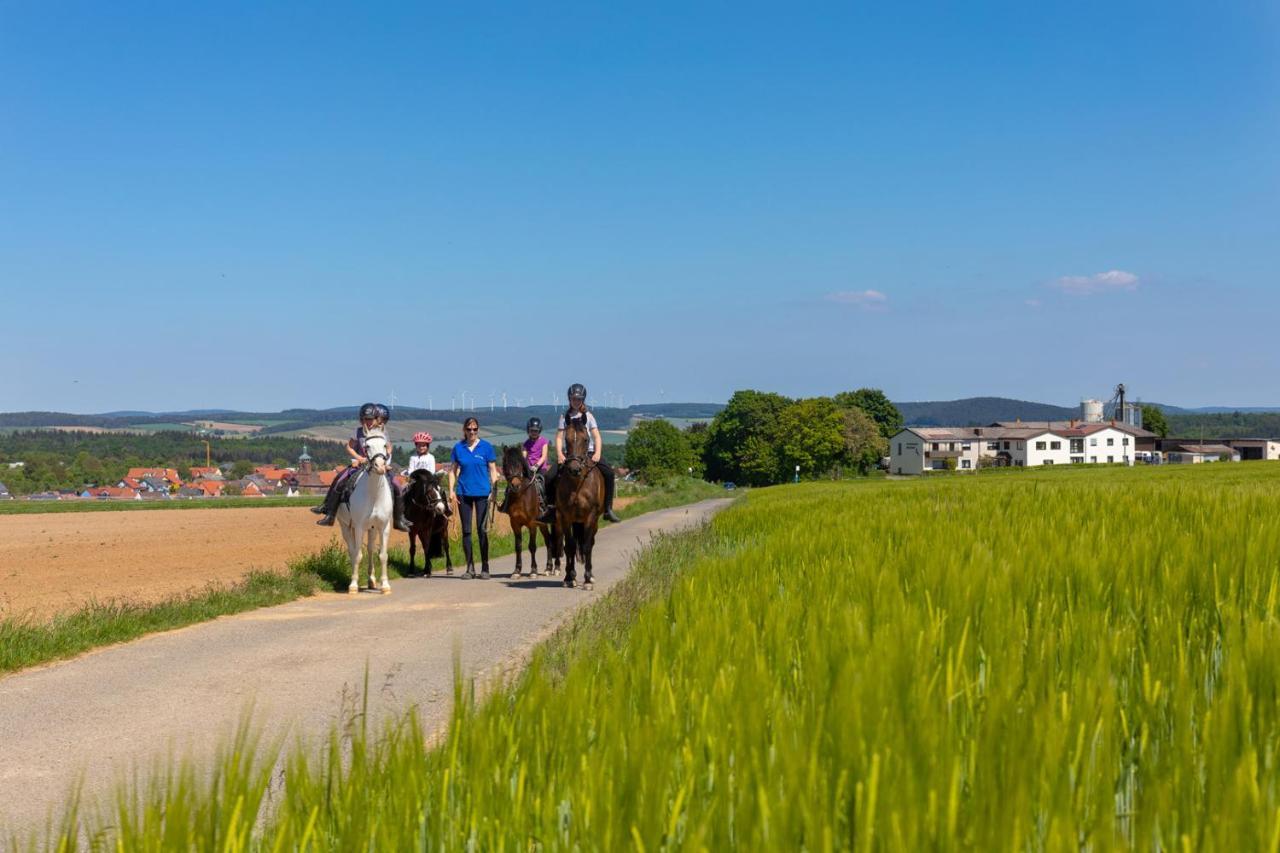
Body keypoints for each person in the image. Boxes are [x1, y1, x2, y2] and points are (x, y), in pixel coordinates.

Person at [311, 402, 411, 531]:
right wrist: (358, 458)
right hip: (360, 464)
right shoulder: (357, 431)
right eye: (365, 419)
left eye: (371, 419)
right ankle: (329, 512)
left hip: (379, 465)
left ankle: (399, 518)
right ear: (361, 419)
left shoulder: (382, 431)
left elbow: (389, 448)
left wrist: (386, 463)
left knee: (397, 485)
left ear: (377, 419)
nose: (368, 422)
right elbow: (349, 447)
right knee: (340, 479)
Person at [541, 383, 621, 523]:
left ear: (583, 400)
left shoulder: (589, 416)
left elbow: (596, 436)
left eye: (579, 399)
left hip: (588, 453)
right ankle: (552, 509)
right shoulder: (564, 417)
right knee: (549, 476)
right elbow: (559, 437)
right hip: (569, 455)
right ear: (569, 399)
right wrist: (560, 454)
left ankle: (608, 509)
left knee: (609, 473)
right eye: (573, 399)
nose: (576, 401)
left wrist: (597, 452)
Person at [448, 416, 499, 578]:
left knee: (482, 531)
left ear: (478, 430)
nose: (472, 432)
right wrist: (451, 491)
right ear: (464, 430)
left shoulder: (486, 447)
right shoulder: (458, 448)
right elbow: (452, 471)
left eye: (475, 429)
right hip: (463, 493)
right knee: (467, 531)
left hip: (483, 493)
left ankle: (485, 567)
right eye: (469, 429)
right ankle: (470, 567)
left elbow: (493, 470)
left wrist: (494, 490)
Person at [499, 416, 552, 515]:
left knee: (542, 484)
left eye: (536, 431)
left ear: (539, 431)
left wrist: (536, 466)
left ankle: (543, 503)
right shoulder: (526, 443)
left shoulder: (544, 441)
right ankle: (505, 504)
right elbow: (523, 457)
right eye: (532, 431)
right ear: (528, 430)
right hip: (529, 468)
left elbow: (544, 456)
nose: (534, 433)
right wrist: (525, 466)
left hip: (540, 468)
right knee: (513, 483)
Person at [404, 431, 451, 515]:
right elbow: (411, 470)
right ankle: (401, 512)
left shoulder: (430, 457)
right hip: (416, 481)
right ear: (416, 446)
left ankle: (447, 508)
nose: (421, 447)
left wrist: (425, 478)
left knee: (440, 490)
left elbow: (431, 471)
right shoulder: (413, 457)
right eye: (419, 445)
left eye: (424, 445)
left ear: (427, 446)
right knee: (404, 490)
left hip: (428, 481)